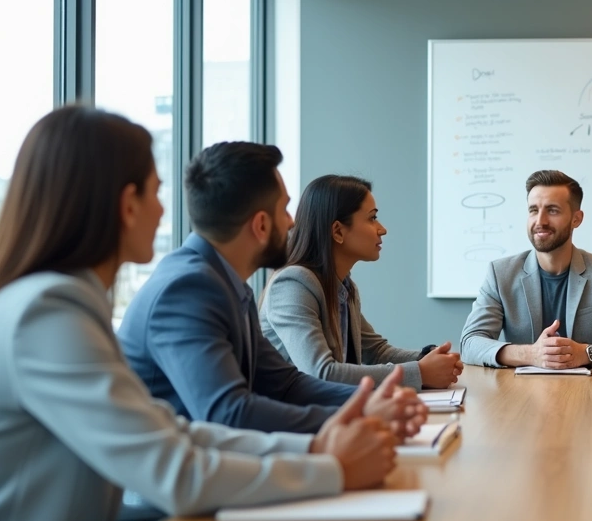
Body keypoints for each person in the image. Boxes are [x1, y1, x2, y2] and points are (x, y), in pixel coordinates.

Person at [0, 106, 406, 521]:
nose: (163, 211)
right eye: (156, 193)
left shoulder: (62, 303)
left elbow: (174, 432)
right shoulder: (47, 313)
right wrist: (331, 466)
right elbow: (176, 465)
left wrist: (322, 446)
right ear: (125, 204)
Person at [118, 142, 426, 434]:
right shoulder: (187, 290)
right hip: (186, 486)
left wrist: (369, 403)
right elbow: (230, 414)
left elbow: (287, 384)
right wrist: (360, 415)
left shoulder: (227, 286)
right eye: (285, 210)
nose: (293, 223)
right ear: (261, 225)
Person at [261, 174, 463, 389]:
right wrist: (420, 372)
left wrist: (430, 358)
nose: (382, 229)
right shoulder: (292, 285)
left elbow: (377, 352)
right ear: (338, 231)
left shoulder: (344, 287)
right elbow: (321, 372)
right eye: (372, 218)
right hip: (296, 419)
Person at [460, 170, 592, 369]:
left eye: (552, 210)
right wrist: (531, 354)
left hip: (591, 395)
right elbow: (470, 342)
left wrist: (586, 353)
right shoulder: (501, 274)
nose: (540, 221)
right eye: (533, 210)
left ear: (576, 219)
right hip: (520, 394)